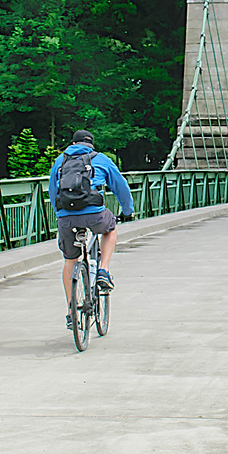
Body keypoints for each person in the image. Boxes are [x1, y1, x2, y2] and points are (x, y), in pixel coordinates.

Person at [48, 129, 134, 330]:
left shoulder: (60, 161)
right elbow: (121, 187)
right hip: (94, 214)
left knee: (70, 260)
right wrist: (127, 211)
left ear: (73, 143)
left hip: (66, 217)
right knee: (110, 228)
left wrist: (60, 214)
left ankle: (71, 312)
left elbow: (53, 191)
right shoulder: (101, 159)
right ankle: (103, 270)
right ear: (91, 145)